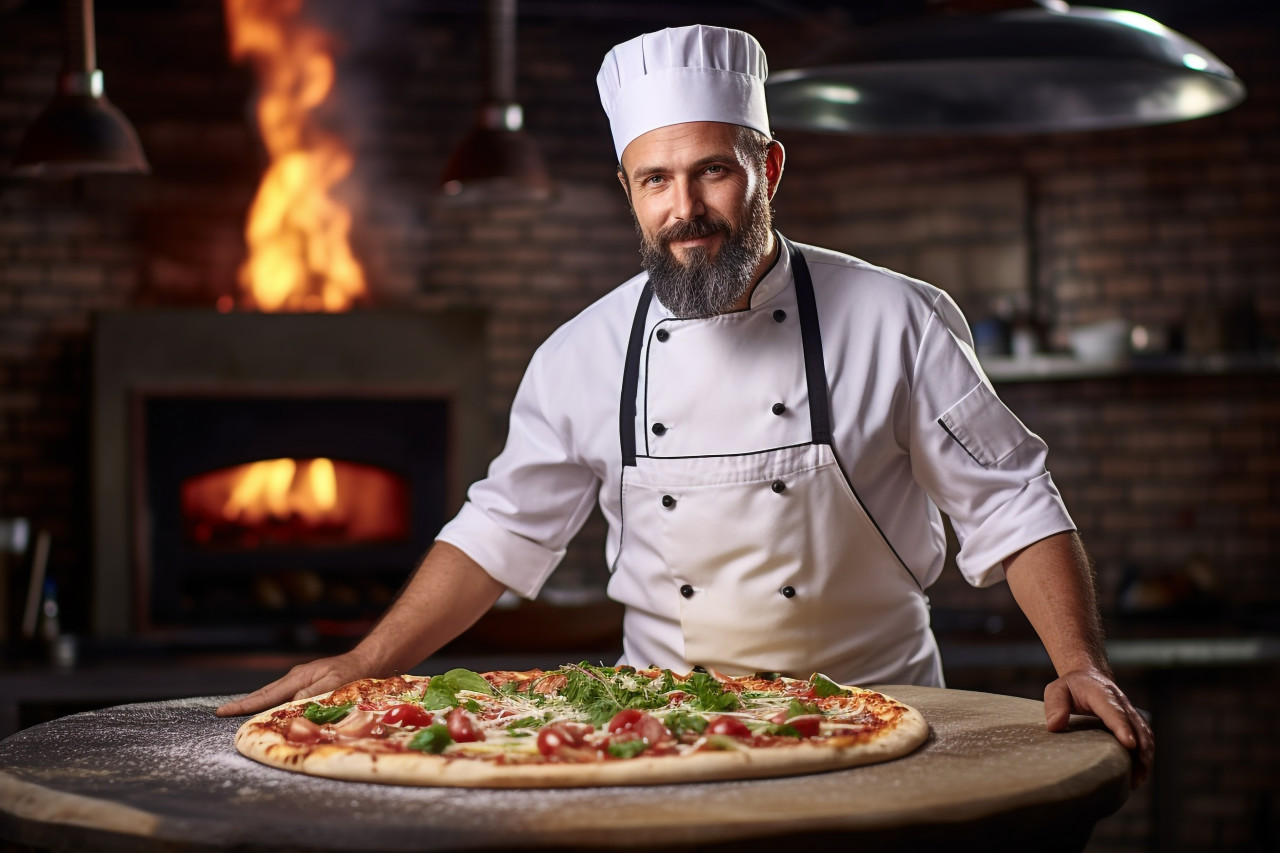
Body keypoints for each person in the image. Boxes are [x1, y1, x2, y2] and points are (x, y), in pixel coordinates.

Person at [218, 24, 1153, 786]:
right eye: (655, 180)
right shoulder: (581, 353)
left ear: (769, 169)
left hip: (880, 714)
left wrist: (1079, 664)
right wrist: (364, 663)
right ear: (629, 192)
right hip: (657, 734)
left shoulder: (896, 319)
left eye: (712, 170)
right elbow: (499, 531)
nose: (685, 209)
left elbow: (1014, 502)